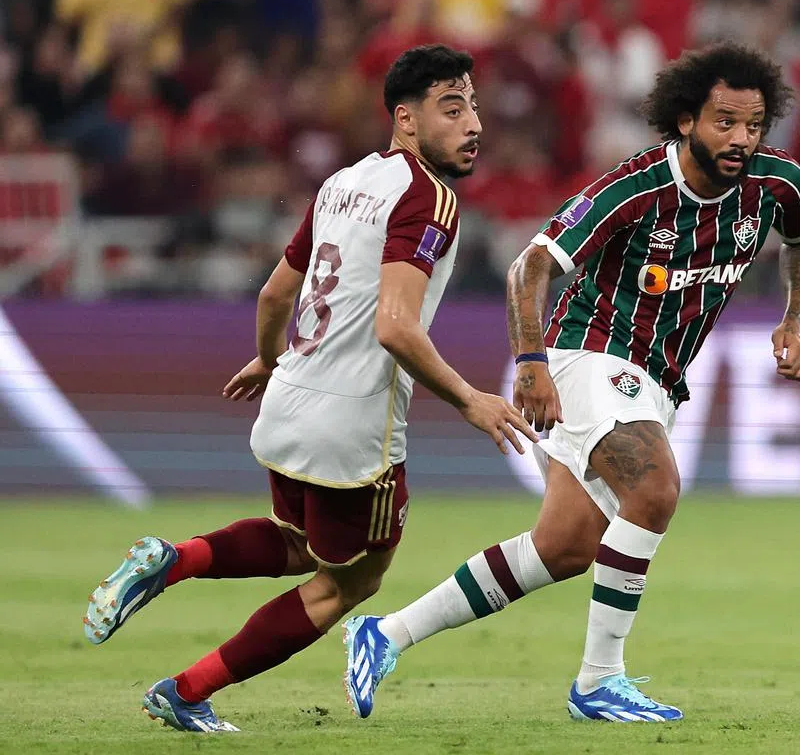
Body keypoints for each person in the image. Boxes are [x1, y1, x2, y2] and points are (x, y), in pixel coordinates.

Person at [344, 42, 800, 723]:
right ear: (685, 120)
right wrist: (531, 362)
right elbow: (530, 266)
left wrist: (795, 318)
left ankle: (385, 633)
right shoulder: (635, 189)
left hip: (658, 378)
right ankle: (600, 680)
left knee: (565, 547)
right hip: (588, 356)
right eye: (725, 122)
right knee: (654, 488)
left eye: (753, 125)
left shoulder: (778, 184)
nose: (742, 140)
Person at [81, 44, 537, 733]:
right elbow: (395, 327)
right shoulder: (430, 198)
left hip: (288, 404)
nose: (473, 123)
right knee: (350, 581)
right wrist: (472, 399)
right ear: (407, 121)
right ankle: (187, 690)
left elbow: (273, 296)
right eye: (453, 108)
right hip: (351, 431)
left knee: (301, 539)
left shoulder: (342, 183)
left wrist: (268, 361)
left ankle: (173, 560)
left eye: (472, 105)